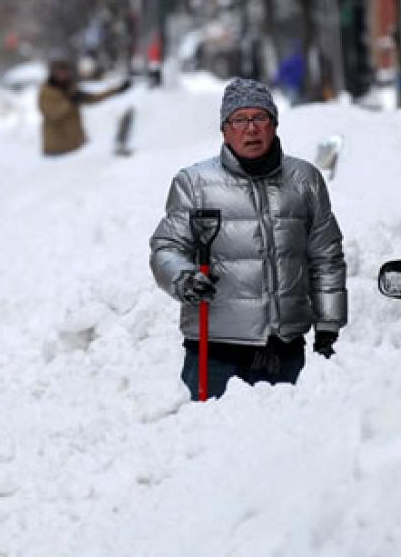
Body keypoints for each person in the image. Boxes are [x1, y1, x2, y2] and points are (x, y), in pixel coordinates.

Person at [149, 78, 347, 399]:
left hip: (285, 350)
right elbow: (166, 249)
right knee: (210, 430)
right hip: (215, 352)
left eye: (260, 117)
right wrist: (183, 278)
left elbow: (325, 256)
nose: (251, 128)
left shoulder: (305, 180)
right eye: (239, 120)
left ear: (274, 124)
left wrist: (328, 323)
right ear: (225, 130)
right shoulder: (195, 183)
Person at [38, 60, 131, 156]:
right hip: (56, 148)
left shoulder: (69, 87)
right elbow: (52, 113)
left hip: (75, 146)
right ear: (53, 73)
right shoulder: (47, 91)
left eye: (66, 72)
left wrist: (117, 90)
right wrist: (69, 100)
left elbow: (92, 98)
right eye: (60, 72)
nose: (64, 75)